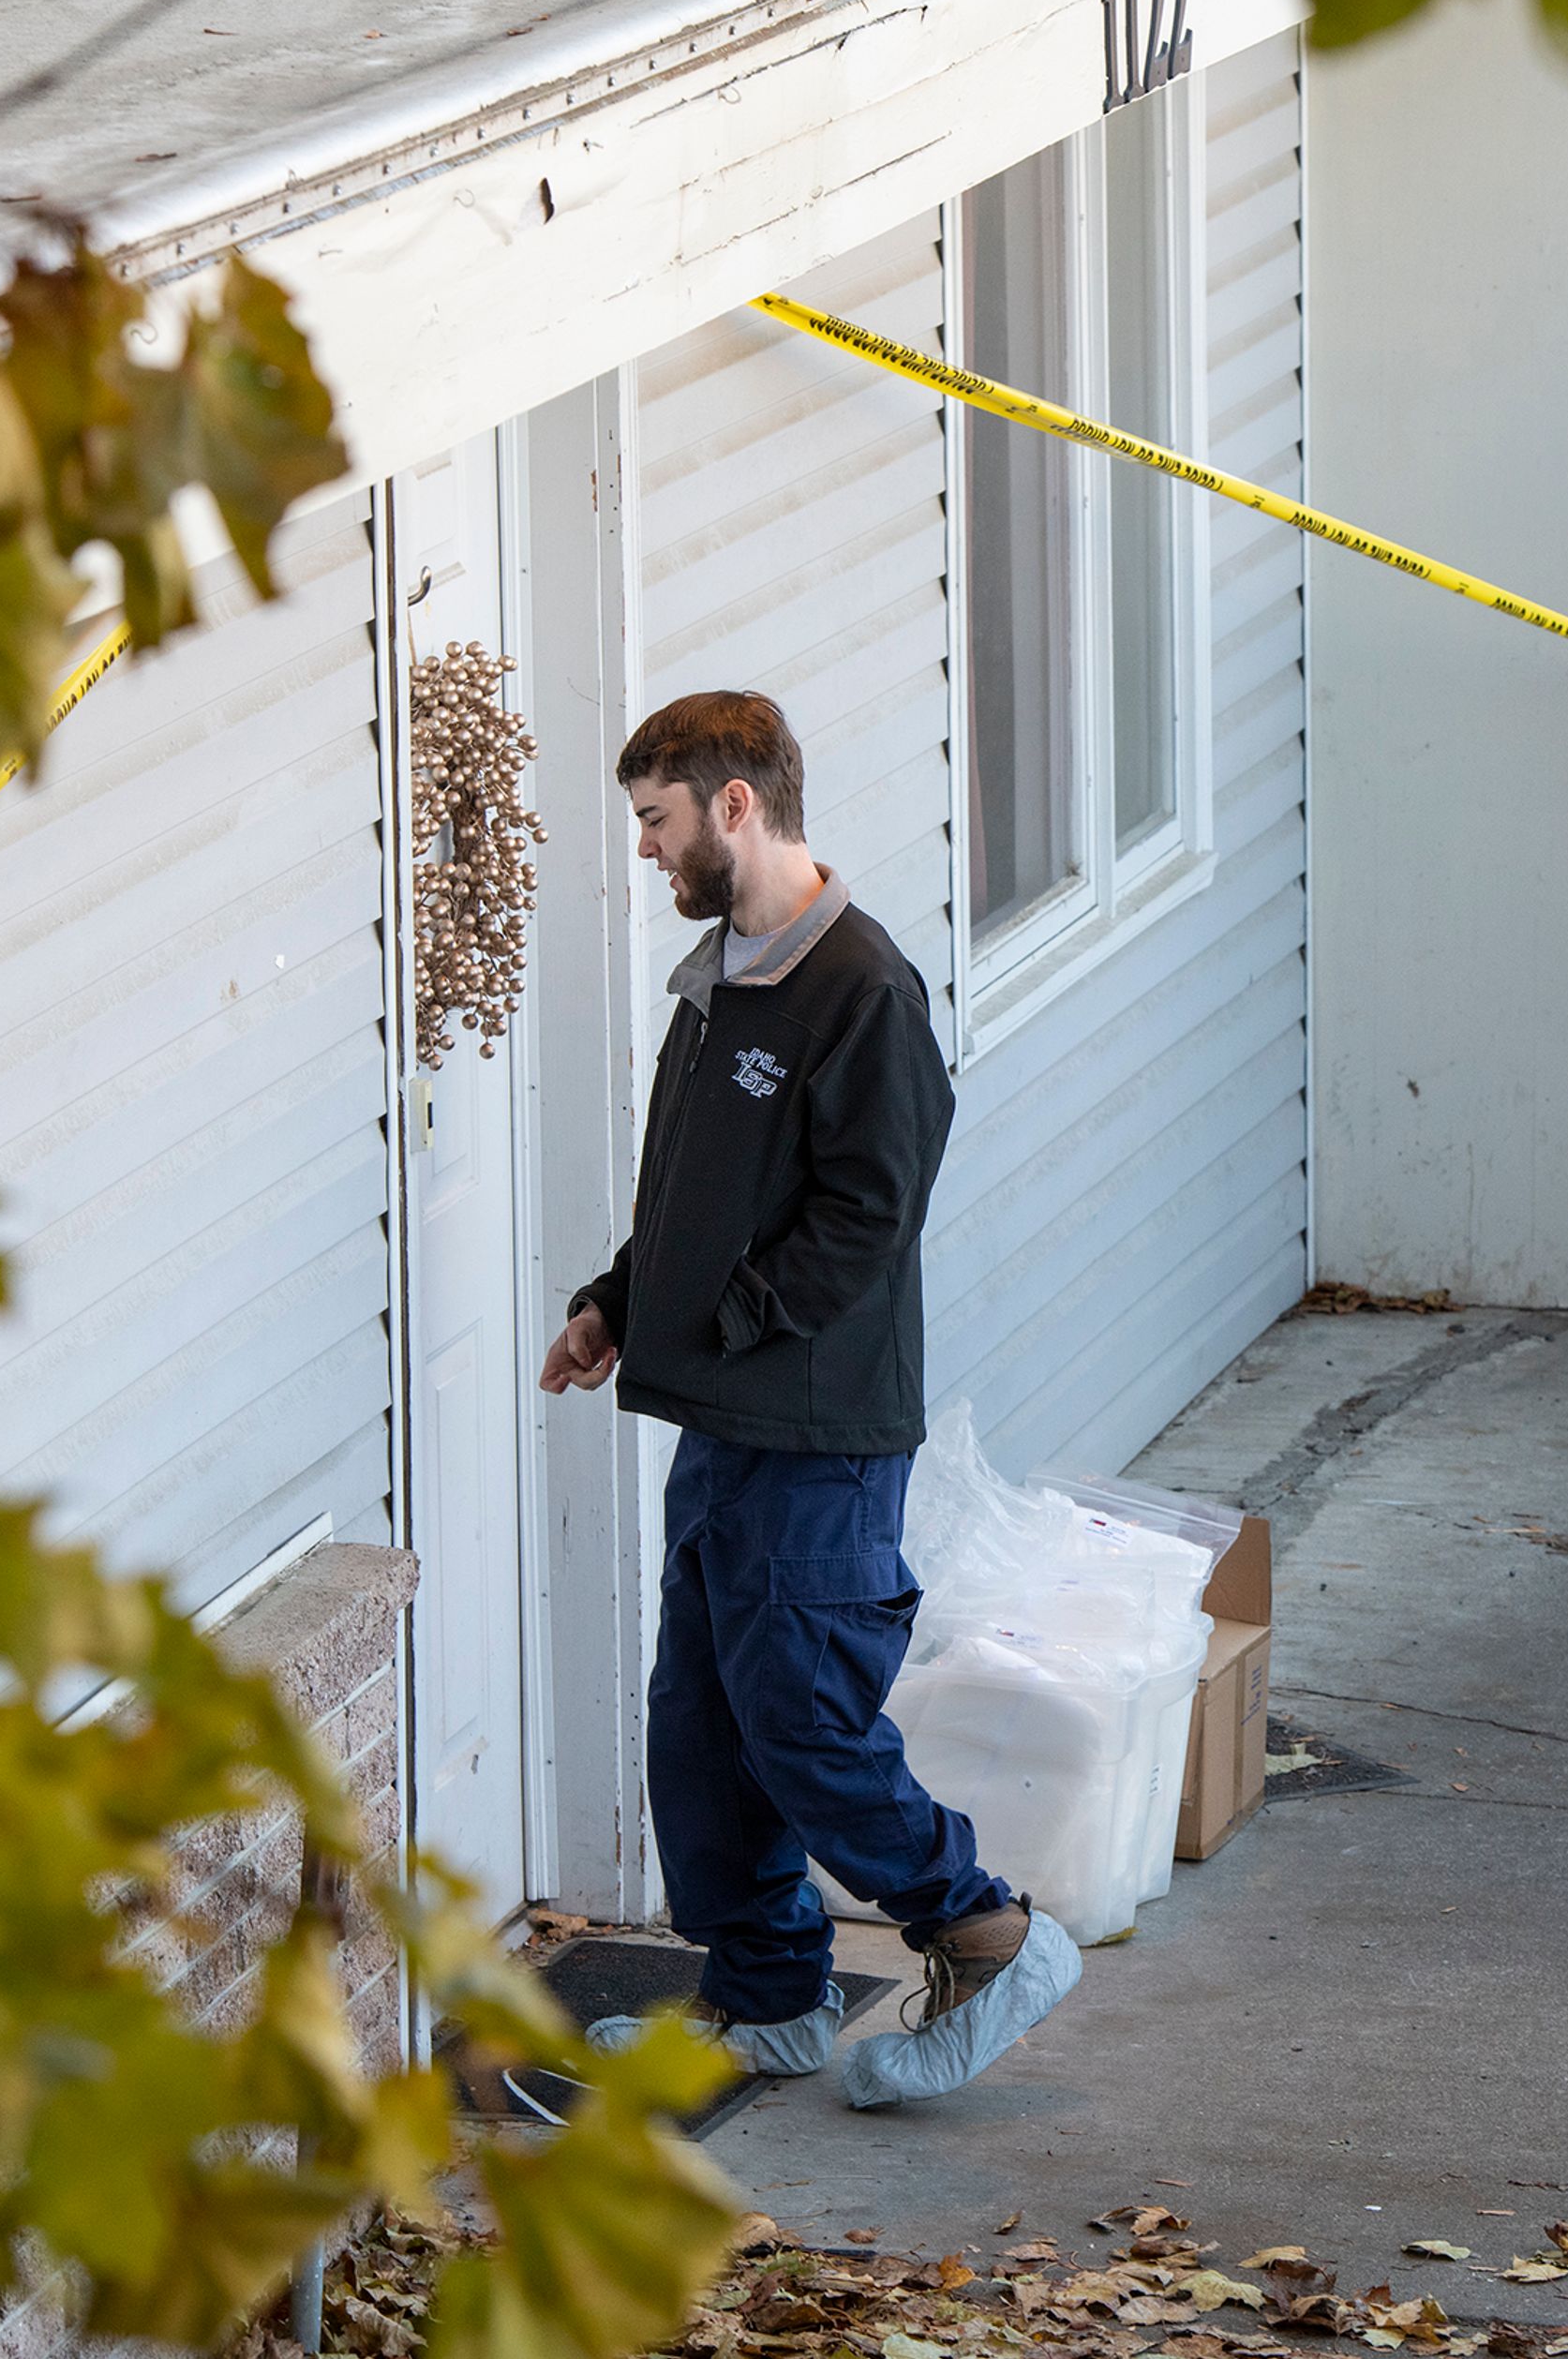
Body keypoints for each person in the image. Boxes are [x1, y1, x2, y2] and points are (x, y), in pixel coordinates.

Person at [540, 689, 1078, 2111]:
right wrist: (618, 1298)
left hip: (820, 1433)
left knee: (804, 1721)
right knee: (703, 1720)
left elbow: (869, 1216)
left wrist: (725, 1319)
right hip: (723, 1417)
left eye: (658, 824)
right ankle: (768, 1993)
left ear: (735, 806)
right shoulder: (727, 973)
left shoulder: (864, 991)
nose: (649, 854)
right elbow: (692, 1193)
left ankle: (990, 1933)